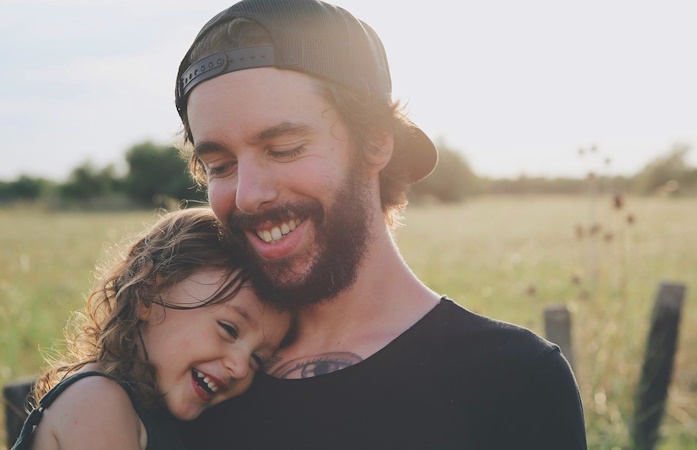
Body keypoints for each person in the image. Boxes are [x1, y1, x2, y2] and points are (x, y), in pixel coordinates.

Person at [175, 0, 587, 448]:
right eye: (219, 165)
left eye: (285, 148)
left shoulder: (512, 379)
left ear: (374, 145)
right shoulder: (196, 374)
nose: (248, 194)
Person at [11, 208, 290, 450]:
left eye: (257, 359)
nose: (241, 367)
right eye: (229, 329)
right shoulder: (96, 401)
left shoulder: (154, 413)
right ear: (148, 294)